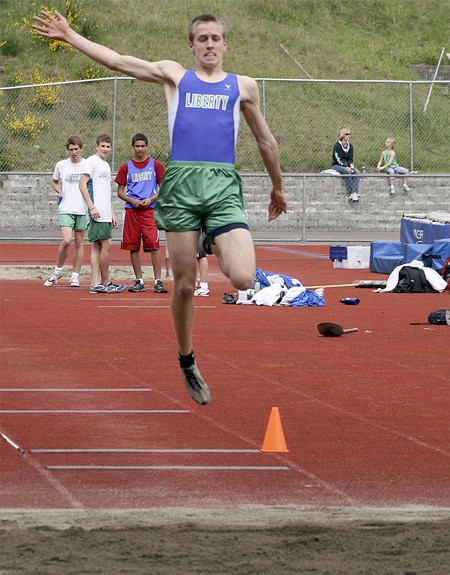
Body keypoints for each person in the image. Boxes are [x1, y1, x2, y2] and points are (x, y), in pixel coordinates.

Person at [33, 11, 287, 406]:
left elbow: (266, 142)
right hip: (183, 186)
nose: (208, 44)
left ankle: (212, 239)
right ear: (190, 45)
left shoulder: (244, 87)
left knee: (242, 278)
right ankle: (187, 359)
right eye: (201, 38)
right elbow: (119, 61)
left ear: (225, 44)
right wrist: (71, 36)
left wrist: (278, 188)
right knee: (184, 285)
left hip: (221, 186)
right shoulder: (175, 77)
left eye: (215, 38)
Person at [115, 133, 168, 294]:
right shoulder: (127, 167)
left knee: (154, 244)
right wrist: (131, 200)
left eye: (142, 146)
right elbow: (120, 191)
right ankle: (139, 280)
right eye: (137, 146)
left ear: (147, 146)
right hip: (132, 211)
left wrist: (151, 199)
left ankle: (158, 280)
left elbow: (163, 188)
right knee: (133, 246)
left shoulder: (155, 165)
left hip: (150, 210)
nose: (140, 149)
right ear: (133, 147)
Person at [78, 134, 126, 294]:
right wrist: (91, 207)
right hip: (96, 212)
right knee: (107, 244)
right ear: (97, 146)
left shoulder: (105, 165)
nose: (105, 149)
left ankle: (95, 282)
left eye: (108, 146)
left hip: (105, 212)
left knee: (98, 246)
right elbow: (82, 185)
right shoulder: (91, 161)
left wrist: (111, 212)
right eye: (103, 146)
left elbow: (104, 191)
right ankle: (105, 282)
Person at [44, 135, 87, 288]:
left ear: (81, 148)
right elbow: (54, 181)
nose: (74, 152)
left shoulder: (87, 165)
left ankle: (75, 276)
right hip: (66, 208)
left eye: (76, 149)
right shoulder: (61, 165)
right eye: (71, 150)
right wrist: (60, 191)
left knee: (80, 242)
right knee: (67, 240)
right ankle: (58, 271)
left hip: (82, 209)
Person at [331, 128, 361, 202]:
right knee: (347, 172)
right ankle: (351, 192)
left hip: (347, 166)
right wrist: (346, 167)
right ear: (343, 135)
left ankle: (354, 193)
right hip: (337, 165)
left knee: (357, 172)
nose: (348, 135)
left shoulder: (350, 146)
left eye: (349, 134)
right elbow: (338, 159)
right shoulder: (337, 146)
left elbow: (351, 158)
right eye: (347, 134)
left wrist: (352, 166)